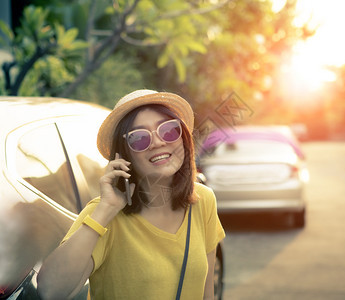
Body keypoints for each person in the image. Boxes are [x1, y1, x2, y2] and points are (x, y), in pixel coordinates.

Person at [37, 89, 225, 300]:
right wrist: (106, 210)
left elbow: (207, 293)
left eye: (168, 130)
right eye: (139, 138)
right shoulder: (104, 214)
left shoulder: (203, 199)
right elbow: (50, 291)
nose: (157, 142)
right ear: (124, 155)